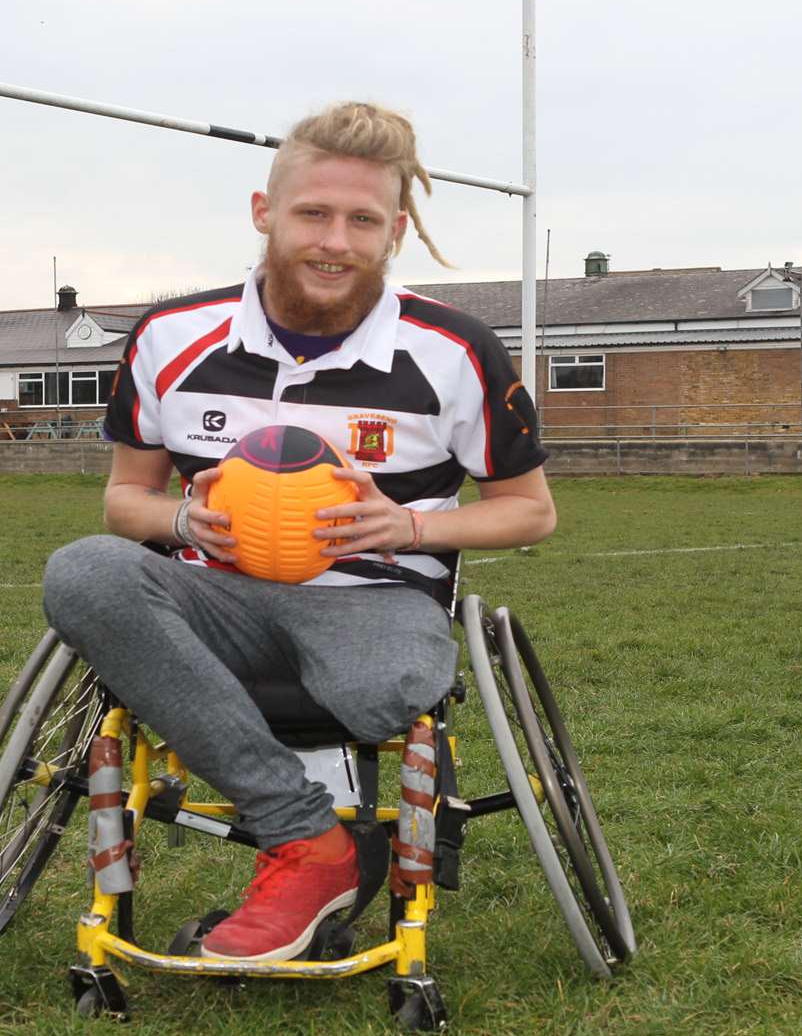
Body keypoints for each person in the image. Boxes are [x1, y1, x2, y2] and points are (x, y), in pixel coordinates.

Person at [41, 101, 555, 962]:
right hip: (216, 598)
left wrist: (409, 524)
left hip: (376, 602)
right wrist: (182, 518)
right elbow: (125, 502)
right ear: (264, 213)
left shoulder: (455, 349)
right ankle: (308, 842)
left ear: (394, 231)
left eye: (363, 221)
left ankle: (304, 836)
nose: (335, 241)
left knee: (383, 690)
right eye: (313, 212)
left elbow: (531, 508)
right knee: (86, 573)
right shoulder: (171, 337)